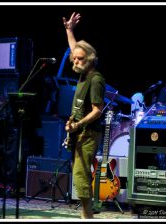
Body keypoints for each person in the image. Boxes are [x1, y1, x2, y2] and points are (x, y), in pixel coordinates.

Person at [62, 12, 105, 219]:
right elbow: (74, 49)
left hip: (88, 133)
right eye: (75, 58)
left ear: (90, 60)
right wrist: (69, 30)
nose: (75, 61)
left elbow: (98, 110)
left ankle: (87, 215)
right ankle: (86, 214)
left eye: (80, 58)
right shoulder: (82, 69)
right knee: (78, 173)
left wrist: (78, 126)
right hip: (77, 131)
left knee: (80, 174)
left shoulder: (95, 79)